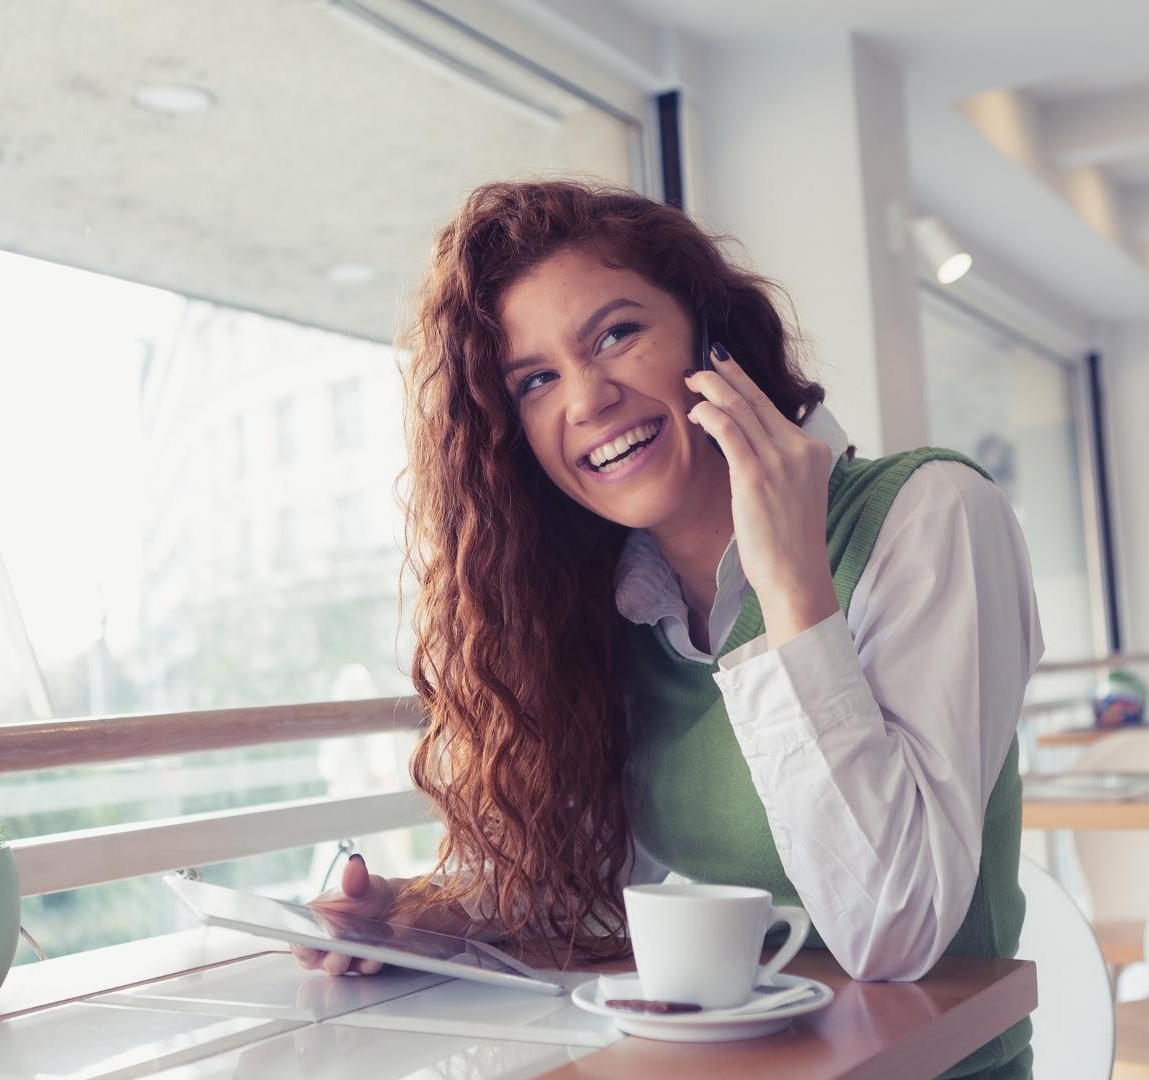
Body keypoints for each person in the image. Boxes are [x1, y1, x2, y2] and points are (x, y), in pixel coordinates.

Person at [293, 180, 1042, 1079]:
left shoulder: (927, 514)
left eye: (616, 335)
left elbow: (895, 932)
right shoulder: (609, 603)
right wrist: (423, 918)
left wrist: (790, 584)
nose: (587, 399)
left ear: (708, 335)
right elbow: (591, 887)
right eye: (535, 380)